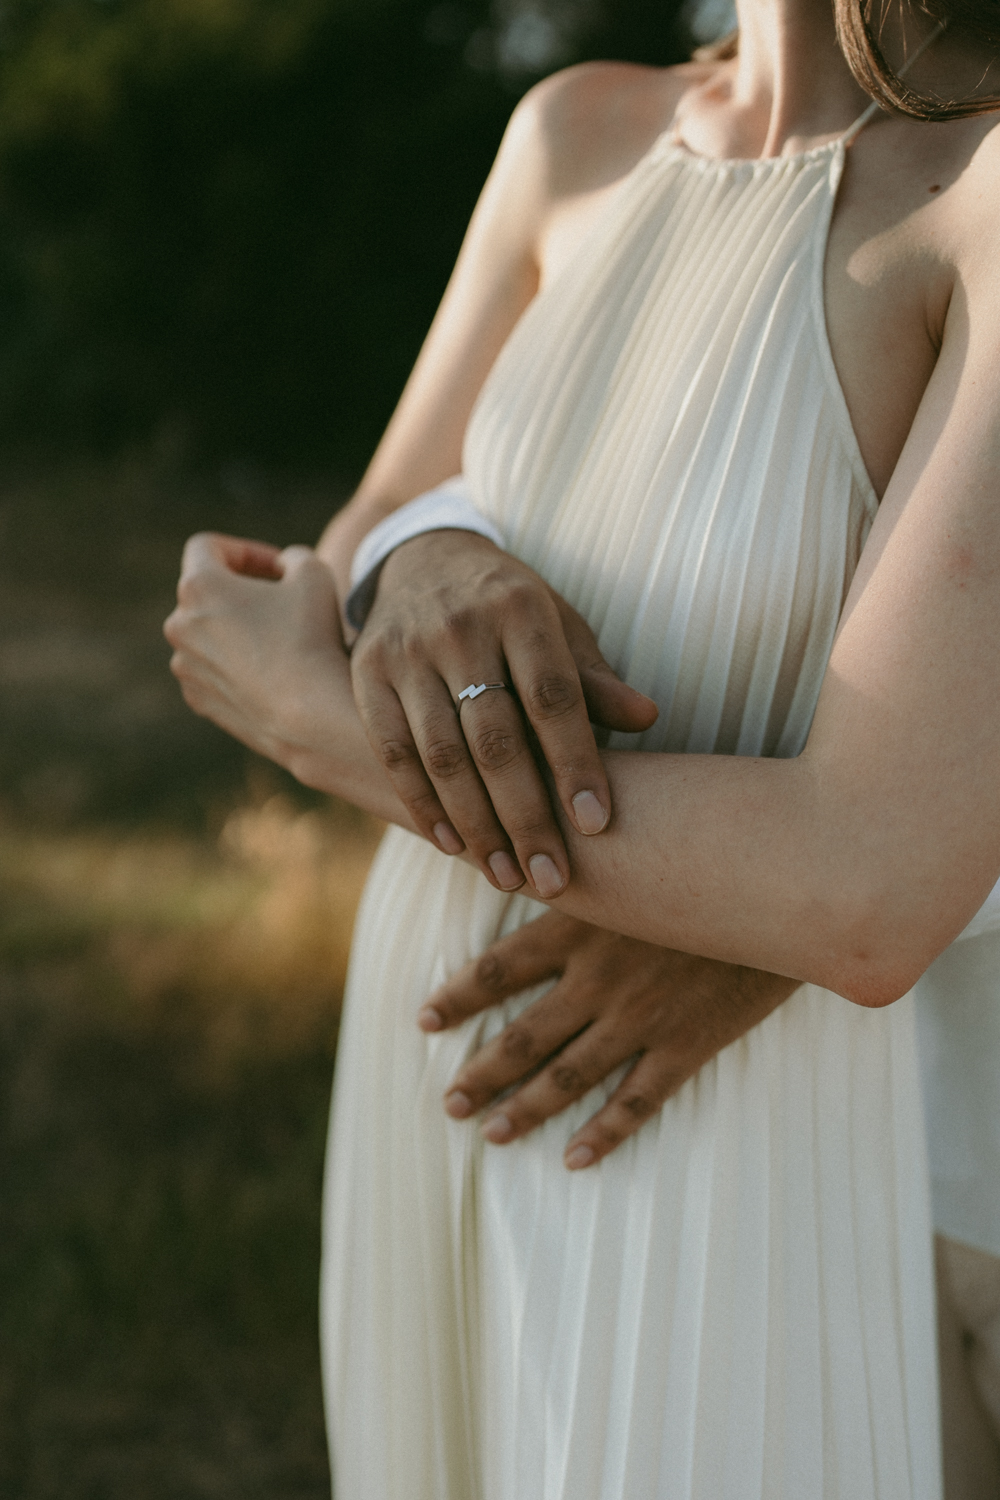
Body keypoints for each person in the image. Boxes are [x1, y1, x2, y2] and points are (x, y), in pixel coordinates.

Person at [164, 0, 1000, 1493]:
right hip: (452, 1054)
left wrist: (324, 734)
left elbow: (868, 884)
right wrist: (425, 565)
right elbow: (362, 541)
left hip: (781, 1119)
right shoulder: (572, 134)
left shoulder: (978, 199)